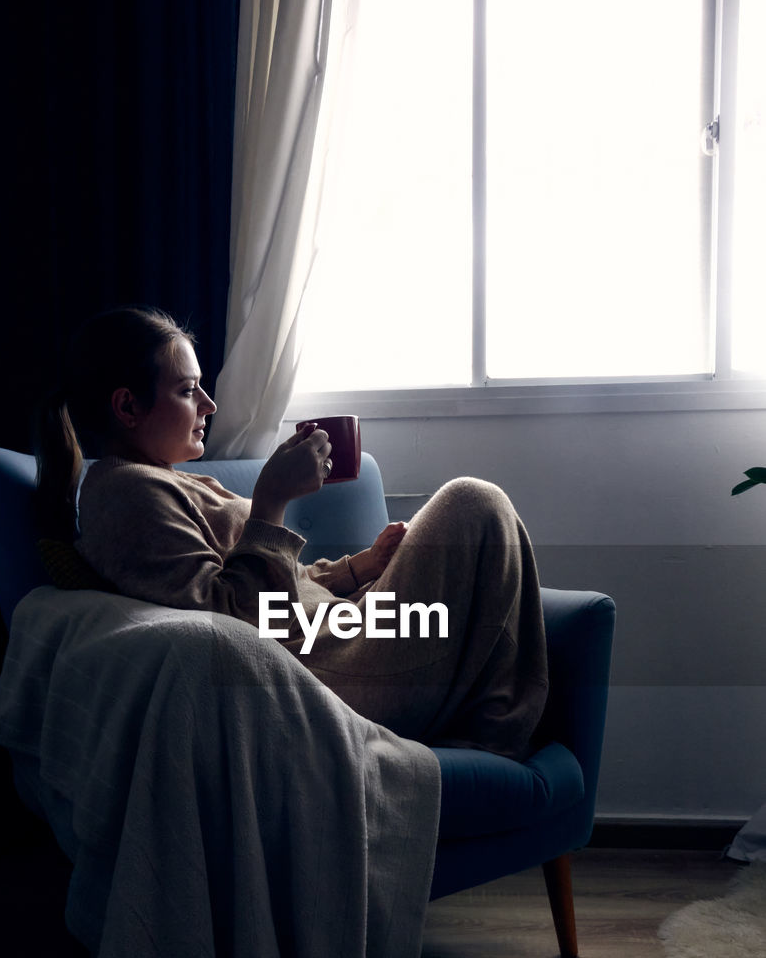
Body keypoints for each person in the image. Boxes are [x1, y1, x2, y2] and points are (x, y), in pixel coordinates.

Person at [35, 305, 548, 760]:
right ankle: (494, 732)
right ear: (127, 407)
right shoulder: (124, 493)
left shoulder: (175, 480)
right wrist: (272, 500)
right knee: (472, 502)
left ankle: (489, 725)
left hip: (341, 636)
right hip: (322, 676)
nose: (209, 406)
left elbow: (279, 582)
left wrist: (359, 567)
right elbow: (228, 625)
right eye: (189, 391)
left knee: (473, 523)